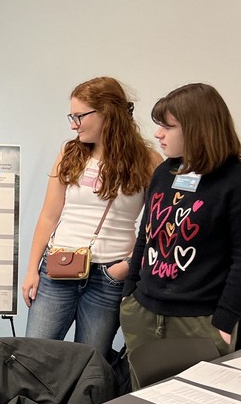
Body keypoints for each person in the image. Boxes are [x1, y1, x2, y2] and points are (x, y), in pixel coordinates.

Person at [121, 82, 241, 362]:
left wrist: (225, 322)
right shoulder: (164, 173)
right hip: (143, 313)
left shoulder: (239, 183)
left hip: (199, 322)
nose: (158, 134)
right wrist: (130, 292)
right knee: (141, 402)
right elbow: (146, 235)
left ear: (197, 129)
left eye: (168, 126)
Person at [22, 77, 161, 355]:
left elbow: (157, 228)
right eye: (71, 116)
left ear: (107, 112)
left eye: (79, 116)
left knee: (90, 363)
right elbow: (49, 216)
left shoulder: (147, 161)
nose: (73, 124)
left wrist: (125, 266)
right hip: (59, 268)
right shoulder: (70, 153)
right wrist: (31, 270)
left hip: (109, 277)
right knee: (33, 356)